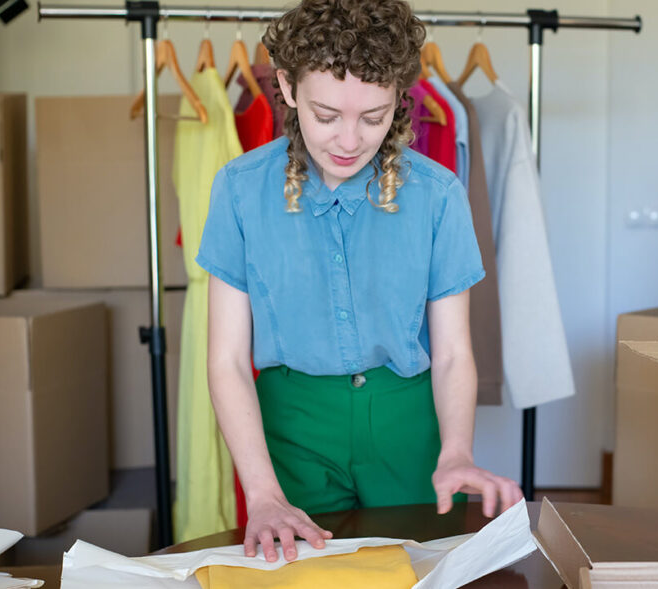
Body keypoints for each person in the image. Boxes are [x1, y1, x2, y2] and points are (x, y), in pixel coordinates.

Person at [196, 0, 523, 564]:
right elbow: (226, 359)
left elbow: (450, 353)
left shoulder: (437, 194)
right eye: (327, 115)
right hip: (292, 425)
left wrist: (457, 450)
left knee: (418, 570)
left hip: (407, 421)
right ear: (290, 90)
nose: (349, 140)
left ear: (399, 101)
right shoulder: (240, 190)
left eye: (372, 118)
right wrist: (263, 493)